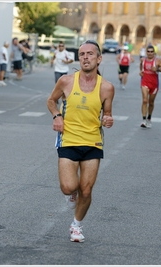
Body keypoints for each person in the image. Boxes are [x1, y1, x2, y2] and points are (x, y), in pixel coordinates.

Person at [46, 40, 115, 243]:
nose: (85, 57)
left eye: (90, 54)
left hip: (93, 141)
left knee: (86, 189)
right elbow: (51, 101)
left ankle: (76, 225)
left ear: (99, 59)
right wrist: (57, 115)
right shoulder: (66, 81)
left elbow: (108, 114)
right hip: (68, 139)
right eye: (82, 54)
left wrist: (108, 119)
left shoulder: (107, 88)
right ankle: (71, 196)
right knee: (69, 187)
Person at [139, 45, 161, 128]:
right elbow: (141, 66)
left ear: (154, 52)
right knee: (144, 100)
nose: (150, 53)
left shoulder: (157, 61)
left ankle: (149, 118)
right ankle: (143, 120)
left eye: (151, 51)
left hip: (154, 84)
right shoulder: (143, 60)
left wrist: (157, 70)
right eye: (148, 51)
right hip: (144, 82)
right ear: (146, 52)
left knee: (151, 102)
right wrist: (141, 72)